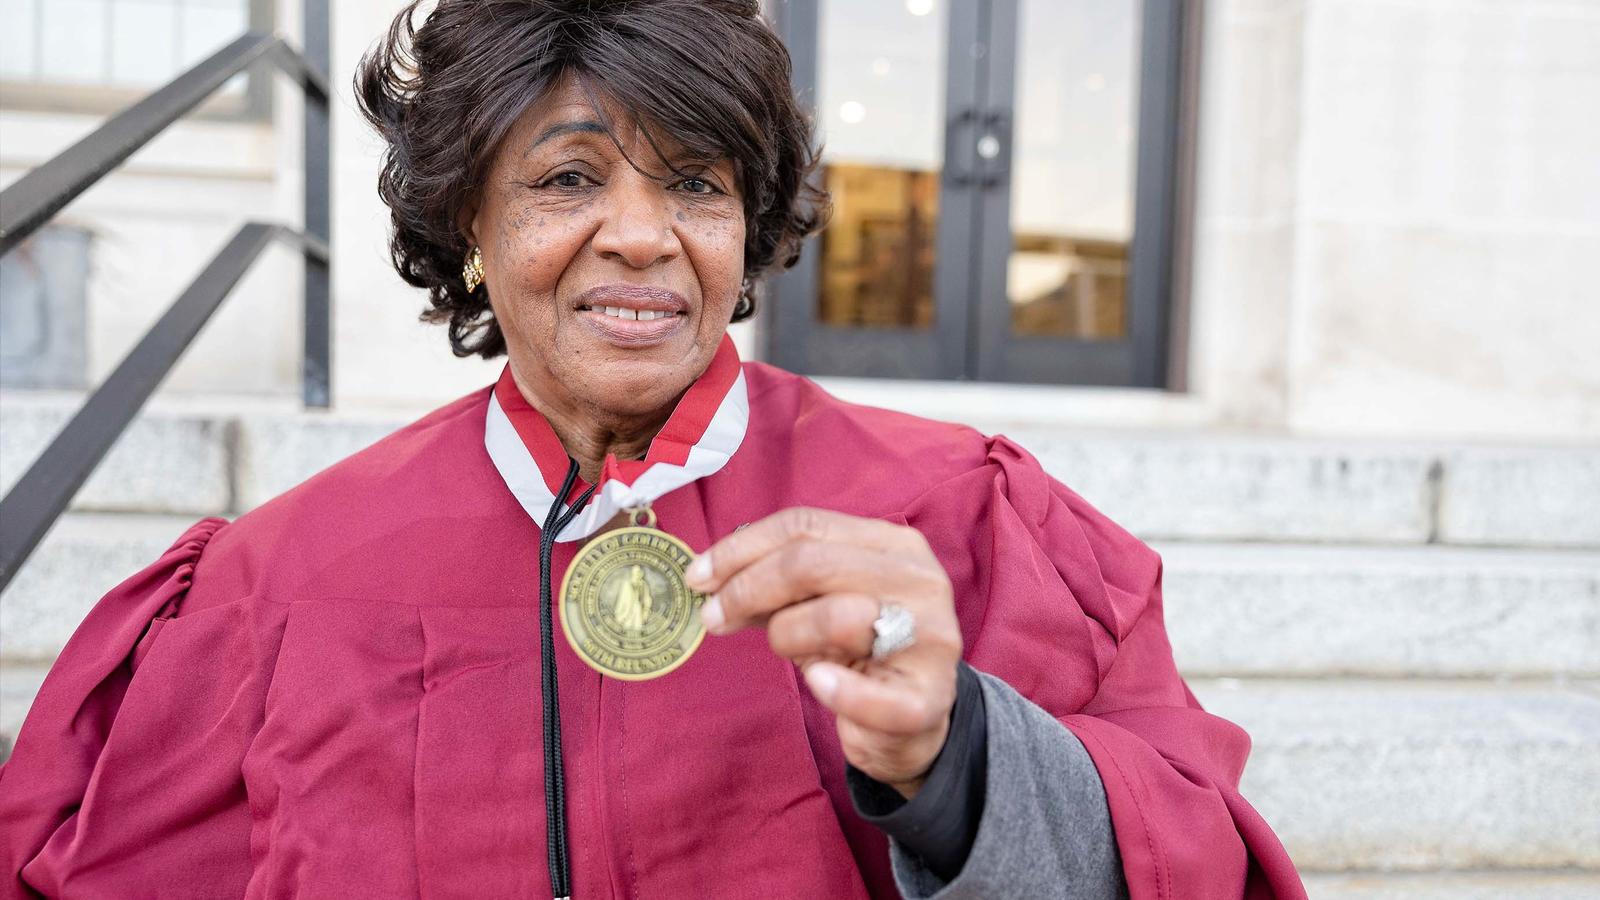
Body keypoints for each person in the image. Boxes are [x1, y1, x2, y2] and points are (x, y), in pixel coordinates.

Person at [0, 1, 1307, 898]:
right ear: (469, 217)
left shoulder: (951, 519)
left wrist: (957, 757)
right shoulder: (276, 584)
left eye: (694, 182)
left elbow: (1193, 859)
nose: (642, 233)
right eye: (569, 178)